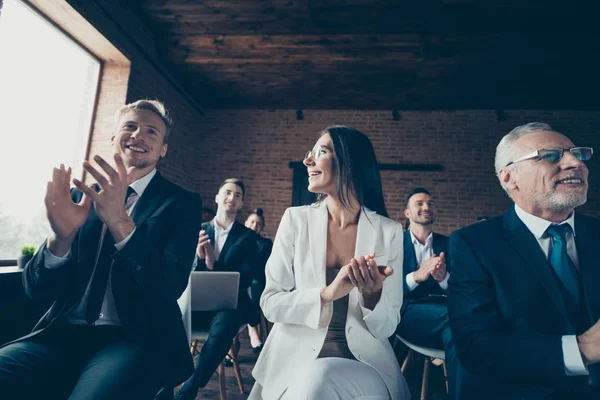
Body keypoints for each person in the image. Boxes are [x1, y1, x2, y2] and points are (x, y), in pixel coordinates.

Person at [0, 100, 203, 399]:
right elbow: (36, 289)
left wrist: (120, 222)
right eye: (130, 126)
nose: (138, 135)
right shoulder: (80, 196)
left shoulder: (181, 203)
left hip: (132, 339)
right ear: (114, 138)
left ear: (163, 149)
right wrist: (61, 237)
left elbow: (169, 286)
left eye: (151, 131)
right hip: (61, 334)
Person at [249, 126, 410, 400]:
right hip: (292, 362)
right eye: (310, 153)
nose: (307, 160)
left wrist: (373, 297)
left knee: (319, 377)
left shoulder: (389, 232)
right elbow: (270, 303)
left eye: (320, 152)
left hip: (365, 365)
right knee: (314, 381)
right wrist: (326, 294)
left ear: (349, 162)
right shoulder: (295, 220)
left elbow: (388, 326)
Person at [448, 122, 600, 399]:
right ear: (509, 177)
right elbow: (476, 346)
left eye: (578, 153)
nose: (575, 162)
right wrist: (580, 349)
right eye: (551, 155)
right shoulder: (473, 244)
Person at [174, 179, 258, 400]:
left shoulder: (248, 237)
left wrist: (212, 262)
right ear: (217, 197)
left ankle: (190, 386)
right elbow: (180, 271)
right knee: (167, 314)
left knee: (225, 322)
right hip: (194, 304)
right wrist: (198, 259)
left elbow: (246, 277)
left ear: (241, 204)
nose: (232, 197)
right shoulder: (196, 230)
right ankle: (163, 379)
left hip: (229, 305)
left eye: (238, 195)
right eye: (228, 193)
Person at [396, 187, 462, 399]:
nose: (427, 207)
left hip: (444, 312)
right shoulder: (395, 244)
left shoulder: (450, 244)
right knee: (463, 322)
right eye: (420, 204)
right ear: (407, 213)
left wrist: (443, 278)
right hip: (407, 312)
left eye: (431, 203)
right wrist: (417, 275)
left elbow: (461, 288)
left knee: (455, 334)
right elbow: (385, 289)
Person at [245, 208, 273, 352]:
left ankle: (252, 332)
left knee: (252, 288)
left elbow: (265, 267)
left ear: (261, 227)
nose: (254, 226)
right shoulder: (237, 240)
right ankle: (252, 332)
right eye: (252, 222)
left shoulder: (265, 243)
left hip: (257, 281)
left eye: (258, 224)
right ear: (246, 223)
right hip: (239, 281)